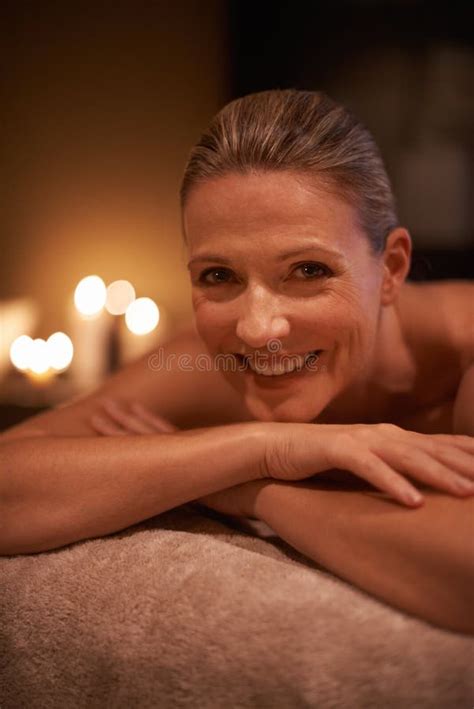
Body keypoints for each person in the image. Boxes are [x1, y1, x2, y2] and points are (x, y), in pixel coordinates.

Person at [1, 89, 473, 634]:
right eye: (219, 276)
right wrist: (263, 449)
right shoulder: (205, 366)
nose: (256, 329)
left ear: (391, 268)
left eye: (308, 270)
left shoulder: (464, 363)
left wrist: (254, 492)